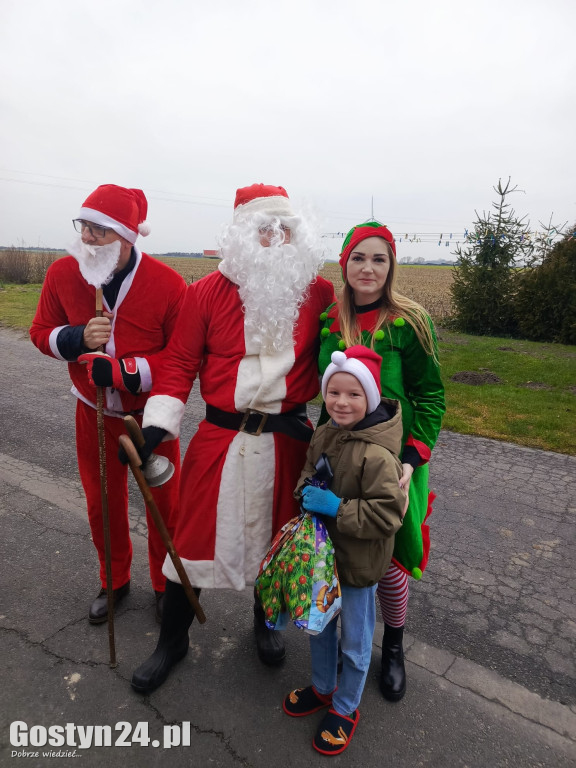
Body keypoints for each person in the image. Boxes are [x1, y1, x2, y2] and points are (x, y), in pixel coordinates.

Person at [128, 183, 335, 694]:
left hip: (290, 438)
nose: (274, 237)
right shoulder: (205, 295)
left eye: (283, 228)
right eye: (263, 228)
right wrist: (157, 426)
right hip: (220, 438)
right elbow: (177, 363)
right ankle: (172, 641)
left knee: (278, 540)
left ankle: (265, 625)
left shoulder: (320, 294)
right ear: (242, 235)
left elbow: (343, 361)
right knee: (191, 542)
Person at [30, 184, 187, 624]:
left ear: (127, 236)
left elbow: (180, 360)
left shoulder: (169, 284)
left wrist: (123, 372)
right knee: (103, 503)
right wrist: (77, 338)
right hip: (94, 413)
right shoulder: (62, 274)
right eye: (86, 228)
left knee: (164, 506)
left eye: (102, 231)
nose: (90, 239)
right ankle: (115, 580)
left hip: (151, 418)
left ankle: (164, 584)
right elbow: (41, 331)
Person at [318, 221, 445, 701]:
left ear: (391, 266)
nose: (367, 268)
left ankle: (392, 644)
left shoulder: (409, 323)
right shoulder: (331, 321)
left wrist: (413, 457)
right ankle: (336, 644)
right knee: (343, 544)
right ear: (345, 262)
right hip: (342, 455)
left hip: (397, 459)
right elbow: (324, 389)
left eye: (378, 259)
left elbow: (430, 396)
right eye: (358, 257)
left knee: (390, 557)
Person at [284, 345, 405, 756]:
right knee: (319, 629)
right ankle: (322, 687)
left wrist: (337, 508)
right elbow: (306, 471)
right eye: (333, 392)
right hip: (322, 559)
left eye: (353, 394)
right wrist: (306, 491)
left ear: (369, 398)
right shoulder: (324, 433)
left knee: (354, 642)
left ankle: (346, 707)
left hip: (357, 565)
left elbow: (388, 516)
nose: (341, 402)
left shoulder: (379, 455)